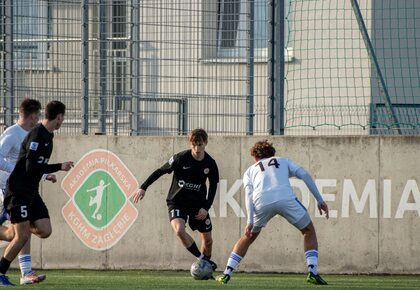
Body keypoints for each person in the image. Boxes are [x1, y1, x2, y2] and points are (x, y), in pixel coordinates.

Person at [216, 140, 329, 285]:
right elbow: (304, 174)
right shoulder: (283, 161)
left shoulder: (250, 170)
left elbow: (249, 194)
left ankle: (226, 273)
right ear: (272, 154)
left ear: (255, 157)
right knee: (308, 231)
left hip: (261, 201)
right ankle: (312, 272)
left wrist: (250, 221)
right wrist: (320, 201)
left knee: (248, 237)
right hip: (285, 198)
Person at [0, 100, 74, 286]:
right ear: (59, 116)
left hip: (31, 192)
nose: (63, 121)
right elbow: (31, 166)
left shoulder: (48, 136)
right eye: (63, 117)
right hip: (18, 191)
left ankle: (20, 227)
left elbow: (36, 166)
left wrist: (47, 173)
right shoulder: (36, 135)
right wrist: (58, 167)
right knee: (21, 236)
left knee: (44, 230)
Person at [133, 128, 219, 271]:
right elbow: (160, 171)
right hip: (177, 201)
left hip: (198, 204)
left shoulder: (210, 163)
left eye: (200, 145)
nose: (197, 149)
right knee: (179, 230)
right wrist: (143, 187)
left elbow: (213, 187)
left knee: (208, 241)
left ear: (206, 143)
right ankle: (202, 259)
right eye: (194, 145)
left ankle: (206, 268)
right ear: (189, 144)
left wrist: (206, 207)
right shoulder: (180, 158)